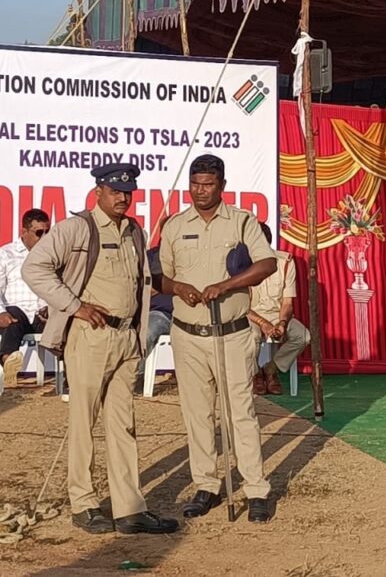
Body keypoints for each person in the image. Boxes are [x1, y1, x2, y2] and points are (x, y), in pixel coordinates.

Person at [22, 163, 178, 535]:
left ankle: (129, 509)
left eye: (128, 192)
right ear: (98, 192)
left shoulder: (135, 232)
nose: (122, 197)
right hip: (91, 336)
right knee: (83, 423)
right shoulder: (76, 228)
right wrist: (76, 306)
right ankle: (85, 503)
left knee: (123, 424)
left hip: (127, 337)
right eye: (115, 191)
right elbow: (35, 269)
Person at [160, 154, 278, 523]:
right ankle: (206, 485)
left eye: (208, 184)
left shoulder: (242, 222)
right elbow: (159, 278)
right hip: (187, 334)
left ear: (221, 186)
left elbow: (267, 264)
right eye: (195, 184)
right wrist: (178, 286)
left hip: (231, 334)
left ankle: (256, 488)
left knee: (239, 414)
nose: (200, 191)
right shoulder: (174, 226)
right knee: (197, 415)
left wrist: (226, 285)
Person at [0, 208, 49, 391]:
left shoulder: (54, 254)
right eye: (38, 233)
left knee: (66, 324)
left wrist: (53, 308)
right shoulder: (5, 254)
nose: (44, 237)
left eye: (47, 232)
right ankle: (9, 361)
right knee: (11, 319)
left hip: (43, 313)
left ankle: (71, 379)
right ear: (24, 232)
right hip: (16, 313)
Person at [248, 222, 311, 395]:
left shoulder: (285, 262)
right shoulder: (241, 264)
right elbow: (242, 306)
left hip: (277, 314)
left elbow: (288, 302)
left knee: (303, 336)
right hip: (250, 317)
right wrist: (262, 323)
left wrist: (282, 322)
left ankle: (270, 369)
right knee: (249, 336)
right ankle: (255, 374)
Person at [145, 217, 173, 355]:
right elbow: (141, 288)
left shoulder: (193, 256)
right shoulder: (150, 256)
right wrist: (160, 286)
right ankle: (140, 375)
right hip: (161, 313)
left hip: (191, 314)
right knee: (148, 331)